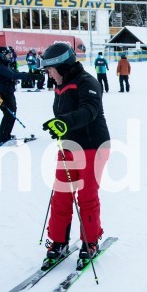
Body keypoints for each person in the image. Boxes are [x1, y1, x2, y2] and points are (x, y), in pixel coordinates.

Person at [39, 42, 111, 271]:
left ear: (61, 65)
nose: (49, 75)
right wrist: (60, 127)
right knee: (61, 195)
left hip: (93, 146)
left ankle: (90, 242)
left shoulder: (87, 82)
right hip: (69, 146)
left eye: (50, 70)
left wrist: (65, 122)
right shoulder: (59, 85)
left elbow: (89, 110)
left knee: (86, 196)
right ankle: (58, 241)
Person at [0, 47, 29, 146]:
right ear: (2, 56)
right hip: (4, 94)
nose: (9, 57)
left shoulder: (3, 64)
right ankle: (3, 139)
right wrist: (28, 76)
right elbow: (12, 75)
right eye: (7, 55)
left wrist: (27, 74)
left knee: (11, 115)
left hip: (8, 92)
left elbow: (14, 73)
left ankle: (6, 135)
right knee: (8, 115)